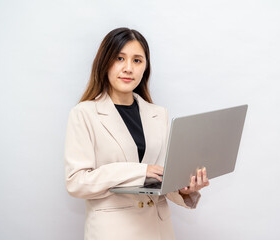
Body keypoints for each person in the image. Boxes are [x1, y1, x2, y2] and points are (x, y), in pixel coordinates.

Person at [64, 27, 209, 240]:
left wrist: (185, 189)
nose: (128, 68)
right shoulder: (84, 113)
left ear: (145, 68)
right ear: (104, 63)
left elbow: (160, 176)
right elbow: (76, 182)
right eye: (119, 58)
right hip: (113, 231)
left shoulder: (159, 114)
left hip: (158, 230)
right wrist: (140, 171)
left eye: (137, 60)